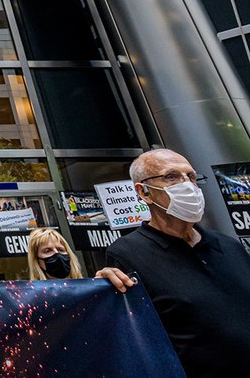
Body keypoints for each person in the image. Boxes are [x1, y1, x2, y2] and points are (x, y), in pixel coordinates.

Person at [106, 149, 250, 377]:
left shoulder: (228, 245)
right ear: (143, 192)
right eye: (171, 176)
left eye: (191, 177)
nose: (188, 185)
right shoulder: (127, 253)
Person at [27, 227, 135, 292]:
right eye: (47, 251)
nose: (56, 254)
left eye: (60, 249)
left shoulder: (85, 291)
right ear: (37, 261)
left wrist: (102, 284)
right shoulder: (34, 300)